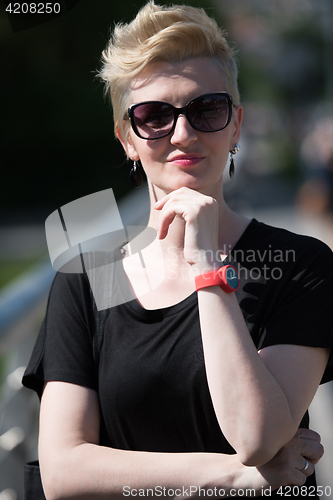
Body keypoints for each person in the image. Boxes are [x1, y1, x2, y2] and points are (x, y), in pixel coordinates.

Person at [23, 1, 333, 498]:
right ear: (128, 139)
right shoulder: (89, 275)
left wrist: (207, 264)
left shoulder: (300, 265)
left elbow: (257, 437)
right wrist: (233, 477)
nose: (183, 134)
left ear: (235, 126)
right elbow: (63, 471)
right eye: (154, 116)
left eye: (207, 110)